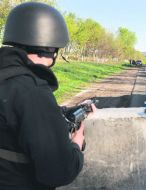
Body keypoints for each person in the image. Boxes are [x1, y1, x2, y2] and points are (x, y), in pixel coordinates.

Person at [0, 2, 94, 190]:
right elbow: (59, 171)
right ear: (51, 48)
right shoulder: (33, 90)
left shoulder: (7, 78)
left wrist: (60, 112)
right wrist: (76, 144)